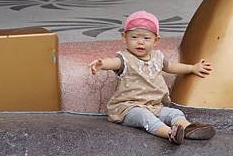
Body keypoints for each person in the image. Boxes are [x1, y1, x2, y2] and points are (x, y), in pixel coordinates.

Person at [89, 10, 216, 145]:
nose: (140, 42)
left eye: (146, 38)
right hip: (128, 108)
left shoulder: (157, 57)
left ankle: (188, 128)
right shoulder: (125, 58)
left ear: (156, 40)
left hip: (155, 106)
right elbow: (114, 62)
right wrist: (102, 64)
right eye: (134, 37)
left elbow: (171, 67)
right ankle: (169, 133)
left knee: (174, 113)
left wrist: (192, 68)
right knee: (145, 117)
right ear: (124, 37)